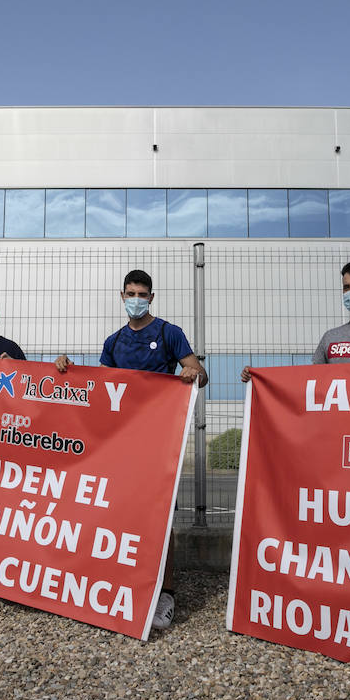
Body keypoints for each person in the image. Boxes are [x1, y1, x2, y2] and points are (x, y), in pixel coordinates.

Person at [55, 269, 206, 631]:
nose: (136, 299)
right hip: (122, 442)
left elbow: (198, 371)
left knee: (161, 514)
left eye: (142, 293)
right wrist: (68, 370)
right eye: (130, 293)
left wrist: (191, 373)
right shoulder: (114, 341)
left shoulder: (170, 332)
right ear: (121, 296)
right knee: (119, 511)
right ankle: (124, 582)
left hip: (159, 440)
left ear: (151, 297)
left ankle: (165, 593)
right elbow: (101, 388)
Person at [241, 259, 350, 382]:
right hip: (338, 424)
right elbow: (310, 381)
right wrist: (258, 376)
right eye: (346, 287)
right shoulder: (330, 337)